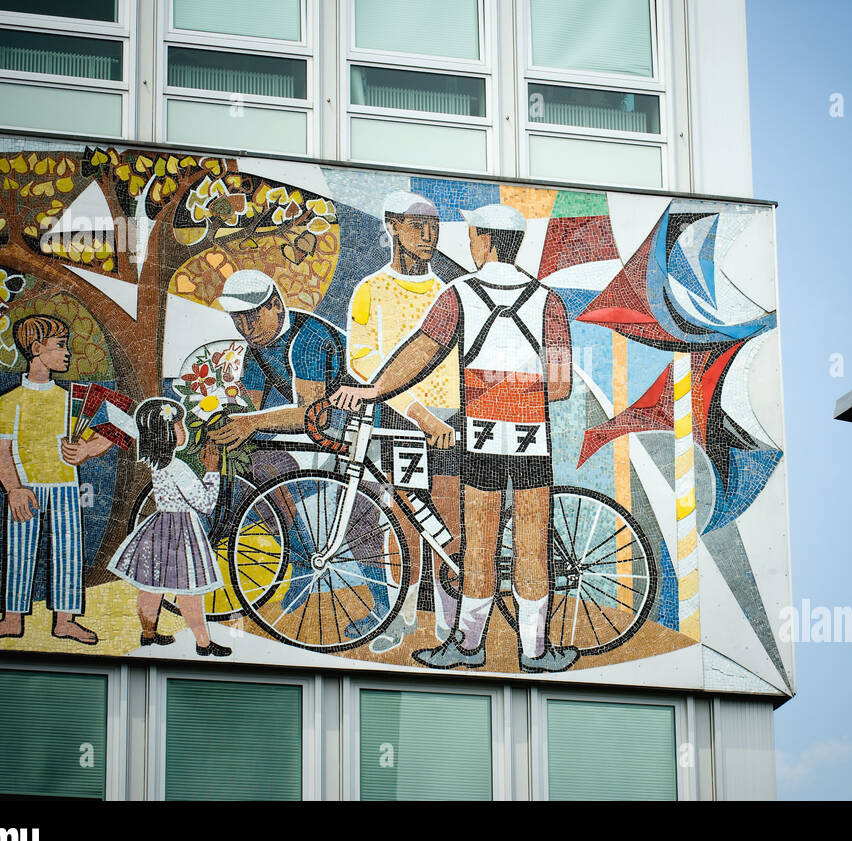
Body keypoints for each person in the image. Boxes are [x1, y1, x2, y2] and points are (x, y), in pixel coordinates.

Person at [332, 204, 579, 673]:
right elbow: (561, 386)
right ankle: (536, 652)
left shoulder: (458, 294)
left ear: (484, 241)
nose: (468, 245)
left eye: (471, 237)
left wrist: (374, 389)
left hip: (479, 436)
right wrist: (519, 387)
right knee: (531, 544)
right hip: (532, 440)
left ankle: (467, 647)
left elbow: (421, 352)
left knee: (479, 543)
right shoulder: (549, 301)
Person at [346, 191, 462, 652]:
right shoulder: (370, 291)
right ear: (393, 225)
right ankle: (402, 616)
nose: (429, 236)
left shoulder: (447, 294)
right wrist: (418, 414)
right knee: (405, 521)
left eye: (434, 226)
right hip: (401, 424)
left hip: (449, 421)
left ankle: (450, 624)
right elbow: (364, 361)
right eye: (418, 226)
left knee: (449, 521)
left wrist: (440, 417)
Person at [210, 270, 346, 613]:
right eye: (237, 318)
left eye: (253, 315)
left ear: (275, 306)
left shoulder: (308, 339)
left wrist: (249, 423)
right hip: (312, 437)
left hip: (351, 432)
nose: (246, 327)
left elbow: (312, 416)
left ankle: (302, 558)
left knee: (271, 469)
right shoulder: (257, 348)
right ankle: (295, 549)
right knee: (245, 463)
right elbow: (250, 407)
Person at [0, 315, 114, 646]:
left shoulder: (68, 400)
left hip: (65, 487)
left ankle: (65, 621)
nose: (67, 353)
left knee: (68, 551)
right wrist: (13, 489)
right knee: (20, 551)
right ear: (37, 349)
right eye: (60, 346)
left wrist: (86, 450)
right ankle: (12, 620)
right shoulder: (10, 401)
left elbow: (111, 433)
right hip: (26, 490)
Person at [108, 398, 231, 656]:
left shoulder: (157, 463)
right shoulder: (177, 468)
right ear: (166, 433)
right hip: (181, 531)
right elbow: (205, 503)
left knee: (151, 586)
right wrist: (212, 470)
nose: (183, 429)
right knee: (189, 591)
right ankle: (203, 643)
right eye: (178, 425)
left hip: (158, 528)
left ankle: (148, 635)